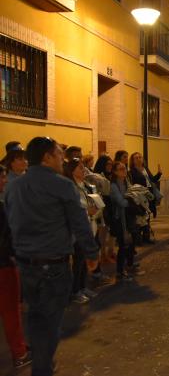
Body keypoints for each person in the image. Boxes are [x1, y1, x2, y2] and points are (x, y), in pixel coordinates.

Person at [4, 137, 99, 376]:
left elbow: (12, 223)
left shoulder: (14, 186)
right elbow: (79, 223)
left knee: (35, 316)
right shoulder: (62, 185)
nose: (61, 160)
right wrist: (91, 253)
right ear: (46, 157)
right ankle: (42, 366)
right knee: (52, 320)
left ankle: (42, 360)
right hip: (53, 263)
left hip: (26, 263)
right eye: (58, 155)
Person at [0, 164, 32, 370]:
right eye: (2, 177)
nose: (5, 181)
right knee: (11, 311)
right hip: (4, 265)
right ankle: (19, 353)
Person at [63, 158, 101, 303]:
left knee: (84, 260)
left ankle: (82, 287)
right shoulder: (71, 187)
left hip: (89, 226)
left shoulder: (85, 185)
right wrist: (87, 211)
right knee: (78, 261)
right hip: (77, 230)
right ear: (72, 171)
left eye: (83, 167)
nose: (83, 170)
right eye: (80, 168)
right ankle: (75, 290)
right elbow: (74, 209)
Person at [109, 161, 138, 281]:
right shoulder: (114, 186)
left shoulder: (126, 182)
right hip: (120, 219)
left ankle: (126, 267)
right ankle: (120, 272)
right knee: (123, 245)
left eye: (124, 168)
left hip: (128, 217)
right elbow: (121, 202)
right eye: (121, 169)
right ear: (115, 172)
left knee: (130, 243)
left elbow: (133, 196)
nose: (124, 171)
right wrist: (131, 201)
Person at [129, 152, 162, 244]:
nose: (139, 159)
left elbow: (152, 180)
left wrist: (159, 173)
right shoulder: (132, 171)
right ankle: (138, 238)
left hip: (148, 194)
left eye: (140, 157)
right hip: (140, 195)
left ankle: (146, 237)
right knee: (140, 216)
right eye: (136, 158)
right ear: (133, 160)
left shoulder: (145, 169)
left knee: (148, 216)